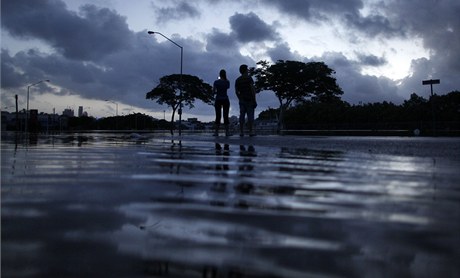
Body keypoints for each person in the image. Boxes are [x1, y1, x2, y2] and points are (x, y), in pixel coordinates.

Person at [235, 64, 257, 137]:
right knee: (250, 116)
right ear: (245, 70)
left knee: (242, 116)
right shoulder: (249, 78)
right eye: (247, 69)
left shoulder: (237, 80)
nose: (248, 70)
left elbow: (236, 91)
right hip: (250, 100)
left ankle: (241, 132)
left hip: (242, 100)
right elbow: (252, 89)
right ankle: (251, 131)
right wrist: (254, 100)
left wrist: (240, 98)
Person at [213, 69, 231, 136]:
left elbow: (213, 91)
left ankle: (216, 132)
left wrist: (217, 91)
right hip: (225, 99)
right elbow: (227, 88)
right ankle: (227, 132)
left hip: (218, 99)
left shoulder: (216, 82)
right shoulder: (227, 82)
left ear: (219, 74)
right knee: (225, 116)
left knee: (218, 116)